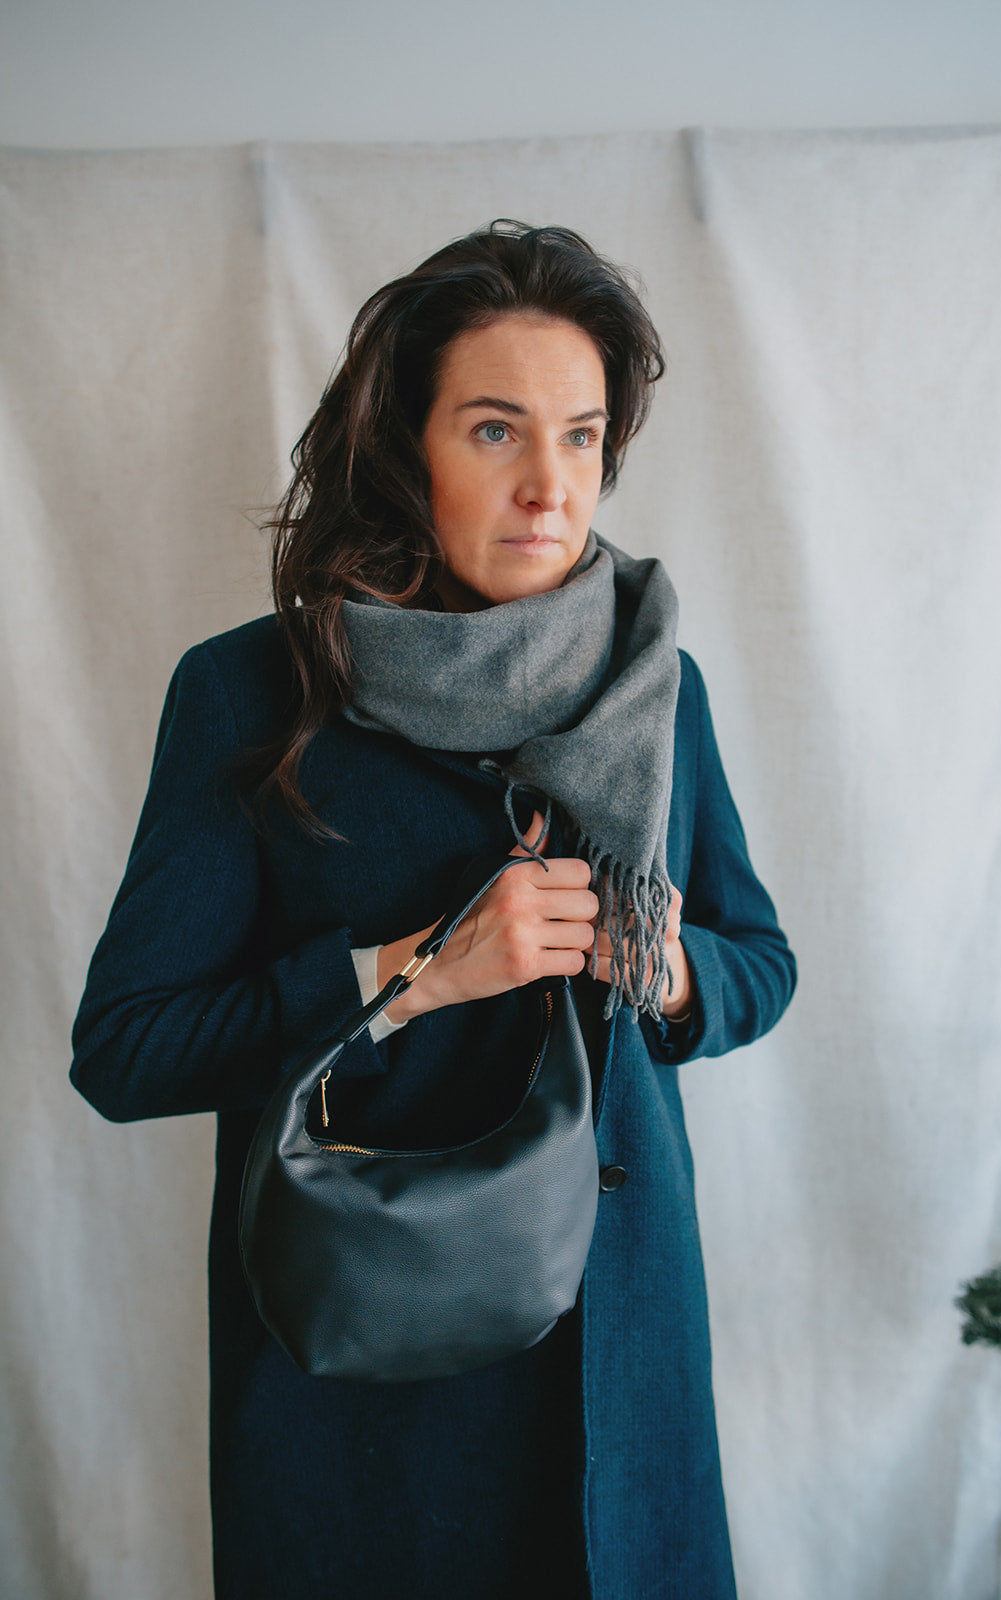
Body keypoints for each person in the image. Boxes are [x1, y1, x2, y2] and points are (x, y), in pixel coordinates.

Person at [71, 220, 796, 1600]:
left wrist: (659, 965)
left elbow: (757, 962)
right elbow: (127, 1050)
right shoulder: (252, 694)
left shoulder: (655, 686)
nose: (548, 486)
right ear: (407, 449)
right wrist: (408, 974)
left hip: (615, 1371)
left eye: (581, 436)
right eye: (494, 430)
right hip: (368, 1385)